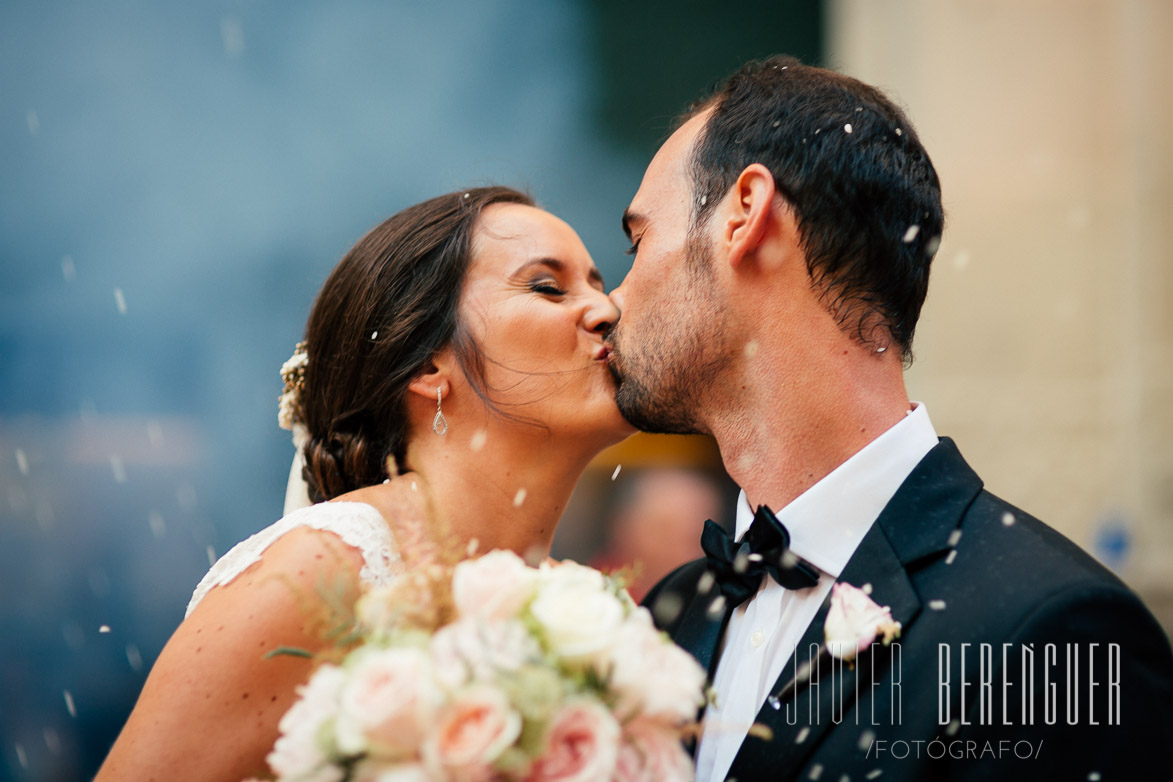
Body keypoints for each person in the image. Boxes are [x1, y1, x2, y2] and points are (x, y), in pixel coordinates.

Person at [607, 55, 1173, 780]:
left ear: (744, 214)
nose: (612, 300)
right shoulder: (671, 613)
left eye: (637, 239)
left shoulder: (1054, 632)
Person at [95, 186, 633, 781]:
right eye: (547, 287)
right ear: (430, 364)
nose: (606, 309)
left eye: (595, 282)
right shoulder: (318, 572)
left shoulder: (583, 607)